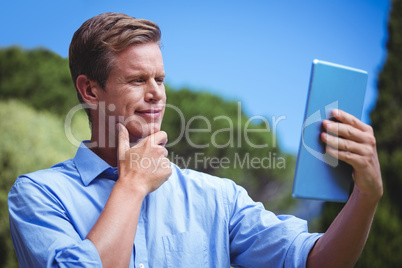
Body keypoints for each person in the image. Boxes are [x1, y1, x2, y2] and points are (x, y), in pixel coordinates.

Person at [8, 12, 383, 268]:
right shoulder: (38, 196)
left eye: (160, 79)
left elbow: (315, 261)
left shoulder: (218, 198)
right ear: (90, 90)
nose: (156, 93)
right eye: (138, 80)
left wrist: (366, 195)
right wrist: (132, 186)